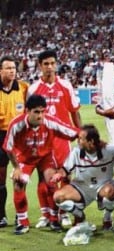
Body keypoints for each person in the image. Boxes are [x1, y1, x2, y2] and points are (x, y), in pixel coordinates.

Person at [3, 95, 78, 234]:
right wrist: (17, 168)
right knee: (18, 184)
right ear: (27, 111)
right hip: (25, 158)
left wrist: (86, 136)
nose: (40, 115)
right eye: (36, 112)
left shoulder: (50, 121)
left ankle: (54, 220)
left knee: (52, 181)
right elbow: (8, 147)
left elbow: (72, 132)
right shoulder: (16, 124)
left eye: (43, 111)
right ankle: (22, 222)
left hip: (45, 157)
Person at [28, 50, 82, 227]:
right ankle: (45, 213)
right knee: (43, 178)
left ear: (56, 64)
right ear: (40, 66)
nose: (49, 67)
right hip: (42, 140)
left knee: (65, 176)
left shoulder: (65, 85)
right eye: (46, 64)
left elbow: (74, 111)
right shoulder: (34, 89)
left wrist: (79, 133)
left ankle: (64, 212)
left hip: (61, 140)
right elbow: (27, 116)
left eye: (52, 63)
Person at [51, 124, 114, 231]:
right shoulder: (76, 152)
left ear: (91, 141)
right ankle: (80, 215)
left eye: (81, 139)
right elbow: (65, 170)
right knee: (58, 197)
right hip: (81, 188)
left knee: (111, 191)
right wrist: (59, 174)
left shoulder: (109, 150)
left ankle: (107, 217)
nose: (78, 141)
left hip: (102, 187)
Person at [0, 55, 28, 228]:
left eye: (14, 68)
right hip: (0, 136)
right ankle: (1, 216)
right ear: (0, 70)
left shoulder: (24, 88)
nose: (12, 71)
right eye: (8, 68)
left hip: (19, 136)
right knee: (0, 179)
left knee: (21, 177)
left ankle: (20, 215)